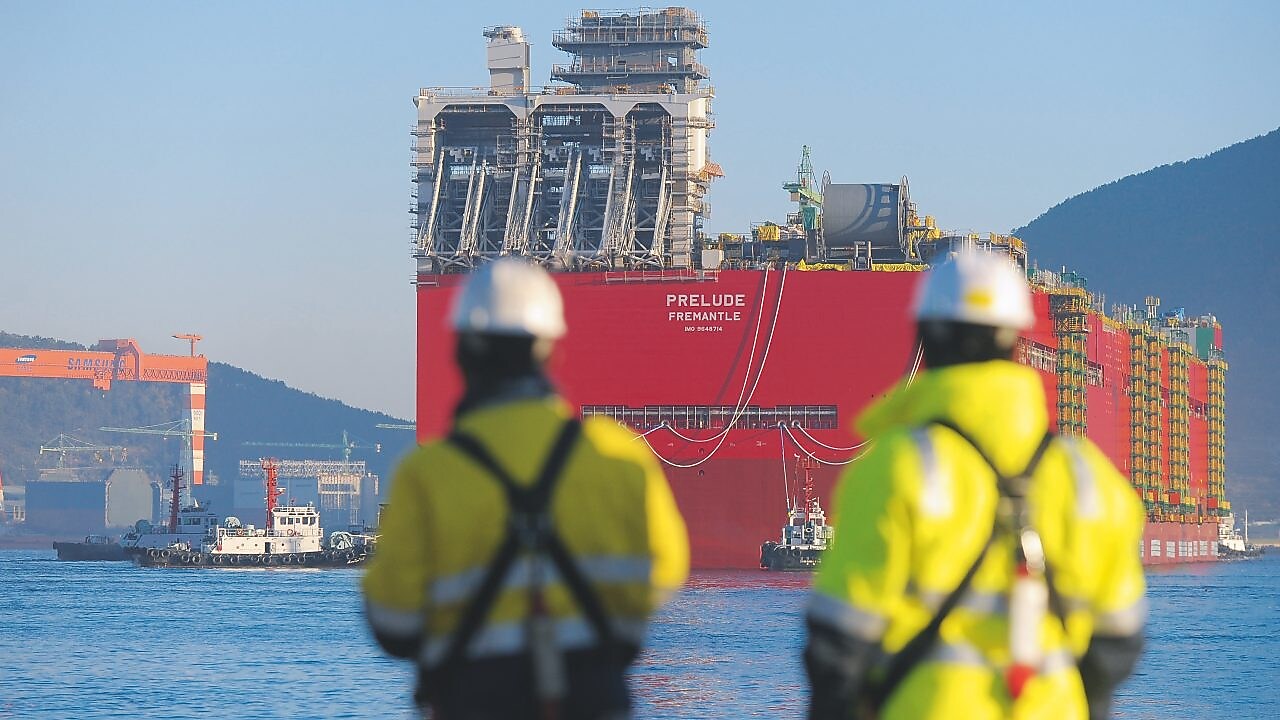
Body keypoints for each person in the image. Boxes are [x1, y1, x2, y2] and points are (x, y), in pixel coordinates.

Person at [804, 249, 1146, 720]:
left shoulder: (896, 465)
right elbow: (1120, 639)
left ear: (925, 334)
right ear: (1017, 340)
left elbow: (837, 642)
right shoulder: (1085, 474)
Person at [363, 257, 689, 720]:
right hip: (596, 699)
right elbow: (666, 571)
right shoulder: (619, 456)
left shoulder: (427, 474)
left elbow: (393, 624)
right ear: (552, 351)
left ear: (462, 352)